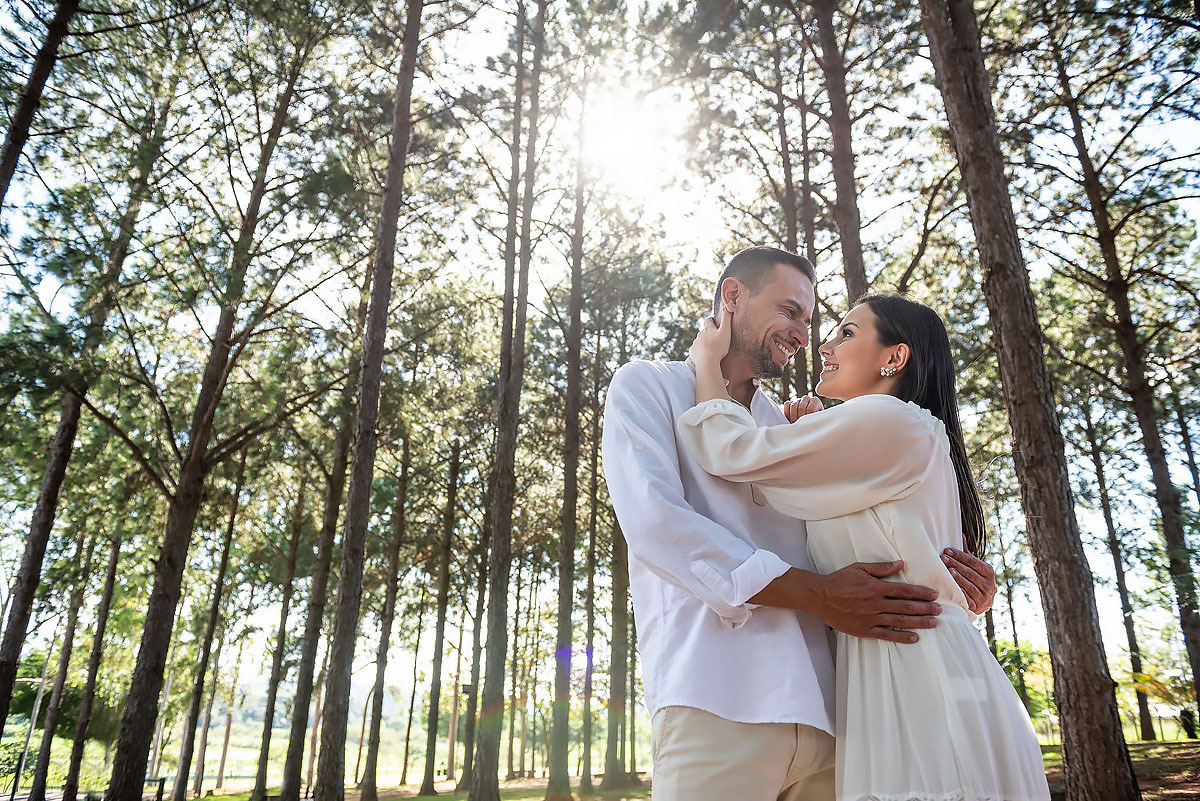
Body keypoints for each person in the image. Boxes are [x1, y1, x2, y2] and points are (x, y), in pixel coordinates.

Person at [601, 246, 998, 801]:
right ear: (732, 296)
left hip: (834, 715)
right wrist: (815, 594)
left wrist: (947, 580)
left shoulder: (788, 429)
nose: (804, 335)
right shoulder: (646, 387)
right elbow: (658, 525)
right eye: (791, 312)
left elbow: (864, 534)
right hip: (718, 700)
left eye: (811, 321)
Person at [677, 291, 1049, 801]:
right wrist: (808, 429)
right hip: (891, 679)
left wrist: (705, 360)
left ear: (894, 358)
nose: (825, 346)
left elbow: (730, 452)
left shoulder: (891, 420)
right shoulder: (892, 432)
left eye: (847, 334)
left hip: (921, 681)